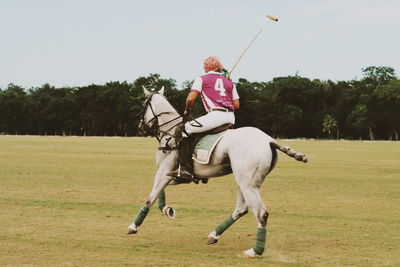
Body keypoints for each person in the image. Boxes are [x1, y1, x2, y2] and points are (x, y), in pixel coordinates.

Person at [168, 56, 240, 181]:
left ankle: (186, 169)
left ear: (205, 68)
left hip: (215, 115)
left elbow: (190, 98)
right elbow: (236, 105)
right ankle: (203, 164)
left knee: (182, 130)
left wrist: (187, 109)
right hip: (230, 117)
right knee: (201, 132)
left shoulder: (201, 79)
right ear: (219, 67)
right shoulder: (229, 83)